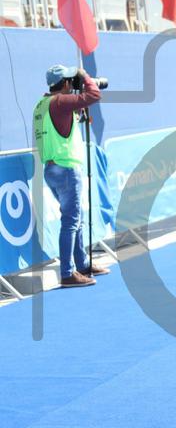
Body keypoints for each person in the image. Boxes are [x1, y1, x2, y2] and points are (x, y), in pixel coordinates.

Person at [33, 65, 110, 288]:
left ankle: (82, 264)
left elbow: (61, 124)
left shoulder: (42, 104)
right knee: (71, 221)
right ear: (66, 83)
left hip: (52, 168)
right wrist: (85, 76)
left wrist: (78, 110)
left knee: (76, 219)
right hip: (66, 168)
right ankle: (67, 273)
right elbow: (94, 95)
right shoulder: (60, 102)